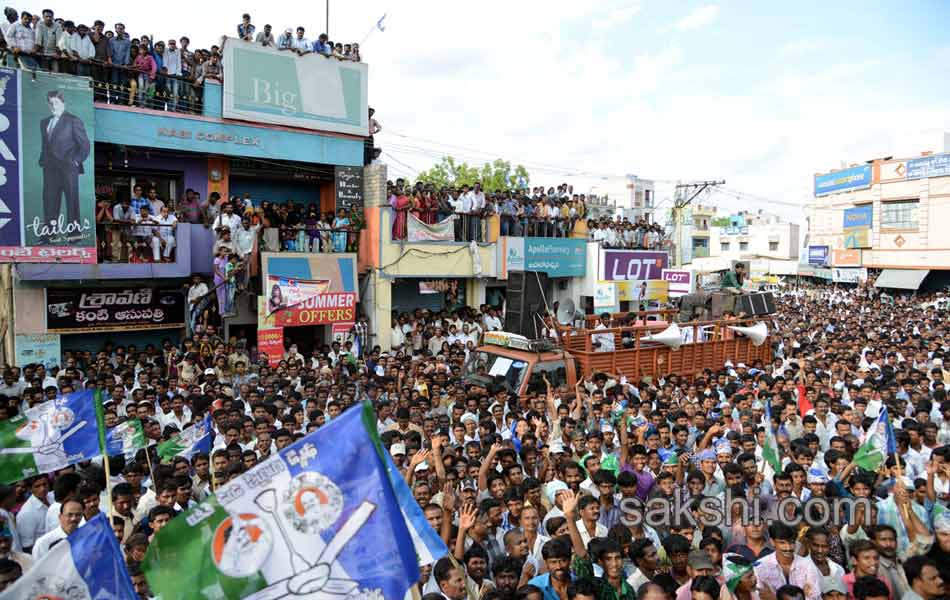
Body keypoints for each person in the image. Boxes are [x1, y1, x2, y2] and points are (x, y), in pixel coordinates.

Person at [39, 90, 91, 238]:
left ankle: (74, 234)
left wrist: (75, 161)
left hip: (69, 168)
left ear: (63, 103)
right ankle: (49, 235)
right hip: (49, 168)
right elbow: (46, 145)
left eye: (56, 102)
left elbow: (85, 146)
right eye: (50, 103)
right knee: (49, 202)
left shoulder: (73, 120)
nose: (53, 105)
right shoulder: (44, 122)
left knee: (72, 202)